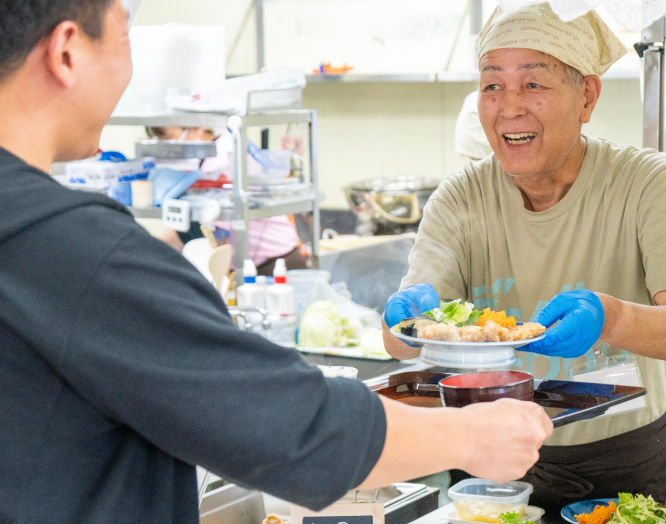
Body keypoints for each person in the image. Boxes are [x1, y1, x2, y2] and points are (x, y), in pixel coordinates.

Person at [0, 0, 553, 522]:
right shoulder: (77, 252)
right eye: (124, 33)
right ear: (67, 51)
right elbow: (287, 424)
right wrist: (474, 437)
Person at [383, 2, 666, 511]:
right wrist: (404, 322)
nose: (510, 105)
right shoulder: (459, 199)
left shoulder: (648, 182)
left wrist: (609, 316)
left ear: (587, 96)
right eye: (492, 84)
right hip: (490, 459)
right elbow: (401, 345)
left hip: (625, 459)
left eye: (534, 84)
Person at [148, 125, 308, 275]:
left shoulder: (224, 156)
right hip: (244, 263)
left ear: (198, 128)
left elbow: (199, 224)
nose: (164, 145)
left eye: (168, 137)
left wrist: (145, 248)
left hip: (274, 264)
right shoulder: (206, 157)